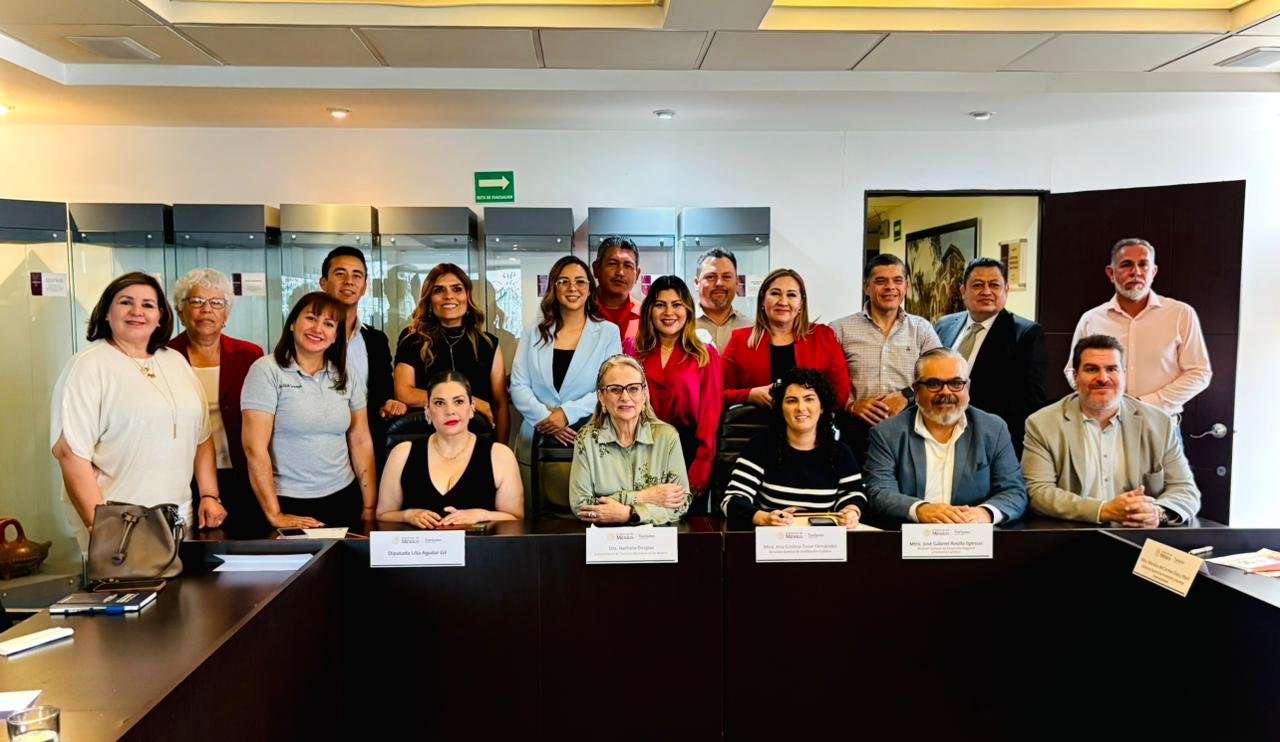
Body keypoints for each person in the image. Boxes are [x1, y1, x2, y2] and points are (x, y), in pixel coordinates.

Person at [51, 272, 225, 547]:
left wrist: (209, 495)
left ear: (160, 316)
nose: (137, 311)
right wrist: (104, 530)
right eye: (126, 302)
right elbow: (70, 454)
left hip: (179, 516)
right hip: (118, 520)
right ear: (106, 312)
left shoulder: (175, 361)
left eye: (148, 305)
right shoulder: (88, 366)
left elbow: (202, 437)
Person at [1025, 335, 1201, 526]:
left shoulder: (1159, 423)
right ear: (1075, 376)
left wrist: (1157, 513)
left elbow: (1185, 489)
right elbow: (1038, 492)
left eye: (1112, 369)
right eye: (1091, 369)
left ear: (1124, 375)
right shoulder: (1043, 423)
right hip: (1071, 533)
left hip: (1138, 535)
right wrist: (1104, 510)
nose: (1103, 378)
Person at [241, 291, 377, 529]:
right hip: (285, 499)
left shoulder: (346, 373)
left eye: (329, 324)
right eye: (311, 318)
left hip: (343, 496)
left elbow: (361, 440)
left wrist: (369, 506)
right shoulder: (266, 370)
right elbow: (255, 449)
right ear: (293, 323)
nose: (318, 329)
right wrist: (275, 514)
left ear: (335, 336)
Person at [864, 348, 1027, 524]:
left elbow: (1013, 491)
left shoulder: (993, 429)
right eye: (934, 384)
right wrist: (919, 509)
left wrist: (984, 513)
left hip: (974, 534)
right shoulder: (887, 433)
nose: (946, 392)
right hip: (912, 534)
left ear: (968, 388)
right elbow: (879, 492)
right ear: (916, 390)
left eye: (956, 383)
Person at [167, 268, 268, 537]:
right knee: (192, 545)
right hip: (183, 474)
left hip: (241, 471)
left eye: (216, 303)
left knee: (246, 541)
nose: (207, 309)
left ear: (226, 314)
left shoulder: (250, 355)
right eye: (197, 301)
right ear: (180, 311)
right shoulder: (164, 356)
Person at [1064, 237, 1211, 418]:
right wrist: (1102, 399)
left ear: (1153, 272)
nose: (1136, 272)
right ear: (1111, 273)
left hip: (1160, 424)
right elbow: (1073, 370)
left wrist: (1142, 404)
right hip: (1104, 423)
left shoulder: (1181, 314)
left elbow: (1199, 373)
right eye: (1126, 265)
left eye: (1143, 265)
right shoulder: (1092, 319)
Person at [509, 255, 623, 471]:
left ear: (589, 289)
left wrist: (565, 414)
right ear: (554, 287)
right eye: (563, 281)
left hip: (590, 436)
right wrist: (546, 418)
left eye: (580, 281)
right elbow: (518, 385)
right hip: (537, 435)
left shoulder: (608, 333)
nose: (572, 288)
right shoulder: (533, 332)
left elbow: (611, 388)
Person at [720, 368, 866, 529]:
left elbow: (853, 494)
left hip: (822, 540)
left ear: (822, 407)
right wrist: (764, 518)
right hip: (773, 537)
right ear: (781, 408)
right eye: (791, 401)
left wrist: (851, 511)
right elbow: (732, 500)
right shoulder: (760, 446)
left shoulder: (840, 452)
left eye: (809, 399)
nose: (801, 407)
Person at [377, 371, 523, 528]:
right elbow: (382, 515)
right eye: (440, 403)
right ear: (427, 410)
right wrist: (407, 515)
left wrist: (482, 515)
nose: (450, 411)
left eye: (459, 402)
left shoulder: (500, 455)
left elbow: (516, 518)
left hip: (478, 544)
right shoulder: (402, 453)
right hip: (420, 544)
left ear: (472, 408)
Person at [831, 254, 941, 459]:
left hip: (910, 432)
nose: (890, 287)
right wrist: (851, 405)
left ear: (906, 286)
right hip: (856, 435)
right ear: (866, 287)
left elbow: (940, 376)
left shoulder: (922, 329)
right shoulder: (840, 329)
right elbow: (827, 380)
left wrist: (906, 396)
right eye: (881, 281)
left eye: (897, 280)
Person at [623, 275, 723, 498]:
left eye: (677, 305)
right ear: (649, 310)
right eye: (660, 305)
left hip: (687, 454)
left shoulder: (705, 355)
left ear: (688, 310)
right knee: (639, 515)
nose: (669, 312)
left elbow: (710, 416)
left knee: (683, 518)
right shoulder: (631, 349)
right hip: (636, 451)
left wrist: (703, 464)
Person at [934, 257, 1046, 456]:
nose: (986, 292)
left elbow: (1031, 402)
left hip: (988, 441)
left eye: (994, 285)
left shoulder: (1025, 334)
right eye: (977, 285)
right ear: (963, 291)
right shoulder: (944, 325)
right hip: (938, 433)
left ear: (1006, 290)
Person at [394, 263, 509, 443]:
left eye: (457, 289)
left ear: (467, 296)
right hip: (428, 439)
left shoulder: (488, 343)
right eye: (439, 290)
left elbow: (500, 405)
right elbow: (404, 392)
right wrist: (474, 402)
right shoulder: (412, 339)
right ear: (429, 299)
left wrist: (502, 450)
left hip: (479, 440)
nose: (449, 296)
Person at [569, 355, 690, 525]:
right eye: (615, 389)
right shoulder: (586, 439)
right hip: (604, 537)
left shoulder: (667, 437)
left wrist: (629, 513)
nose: (625, 397)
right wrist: (643, 497)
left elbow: (681, 504)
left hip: (655, 537)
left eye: (633, 388)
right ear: (601, 397)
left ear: (644, 394)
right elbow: (581, 505)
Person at [319, 246, 406, 469]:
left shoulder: (376, 340)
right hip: (322, 448)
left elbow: (384, 391)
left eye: (357, 275)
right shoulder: (312, 338)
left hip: (369, 444)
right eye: (340, 274)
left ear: (365, 286)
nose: (349, 281)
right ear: (323, 283)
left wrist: (390, 403)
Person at [721, 268, 851, 410]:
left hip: (812, 423)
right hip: (756, 423)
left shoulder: (824, 336)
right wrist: (749, 395)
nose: (783, 302)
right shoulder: (740, 340)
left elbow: (841, 394)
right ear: (762, 300)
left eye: (791, 295)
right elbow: (718, 393)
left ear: (801, 303)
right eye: (775, 293)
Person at [693, 248, 751, 349]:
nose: (719, 283)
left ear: (737, 283)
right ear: (696, 283)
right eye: (711, 277)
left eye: (726, 277)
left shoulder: (751, 328)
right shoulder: (680, 326)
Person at [591, 235, 642, 342]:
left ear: (637, 275)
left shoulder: (646, 315)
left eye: (628, 266)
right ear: (596, 269)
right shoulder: (580, 310)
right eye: (612, 264)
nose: (620, 272)